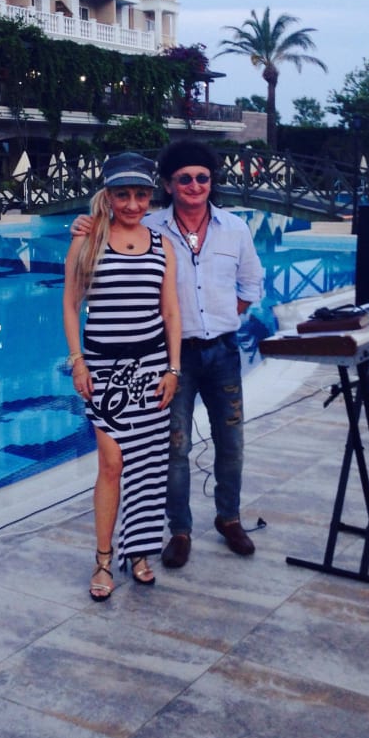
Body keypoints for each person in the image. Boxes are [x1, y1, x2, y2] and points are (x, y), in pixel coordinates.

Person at [72, 139, 263, 569]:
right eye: (185, 178)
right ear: (169, 184)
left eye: (202, 177)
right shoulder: (150, 226)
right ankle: (179, 530)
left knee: (231, 441)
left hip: (222, 352)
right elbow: (108, 229)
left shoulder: (235, 228)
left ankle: (229, 518)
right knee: (174, 447)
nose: (195, 185)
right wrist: (83, 225)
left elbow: (252, 283)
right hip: (170, 358)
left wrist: (223, 316)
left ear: (211, 181)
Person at [63, 151, 181, 601]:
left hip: (151, 368)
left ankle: (139, 551)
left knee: (149, 465)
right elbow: (70, 304)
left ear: (151, 196)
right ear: (108, 196)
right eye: (123, 195)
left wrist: (173, 369)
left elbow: (171, 312)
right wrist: (77, 361)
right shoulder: (87, 238)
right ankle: (103, 559)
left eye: (141, 195)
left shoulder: (161, 244)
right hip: (105, 370)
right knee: (112, 463)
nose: (133, 204)